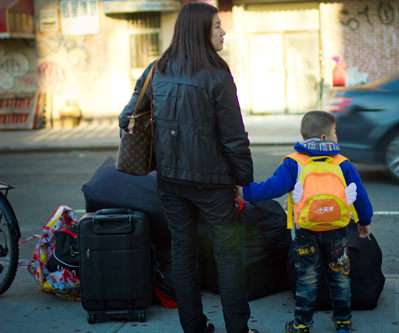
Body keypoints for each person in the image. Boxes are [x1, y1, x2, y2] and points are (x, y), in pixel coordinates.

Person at [119, 3, 258, 333]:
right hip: (213, 183)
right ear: (200, 32)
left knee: (183, 253)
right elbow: (234, 136)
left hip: (170, 181)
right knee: (228, 256)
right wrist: (244, 180)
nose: (223, 32)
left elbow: (127, 118)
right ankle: (238, 329)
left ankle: (193, 327)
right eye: (217, 27)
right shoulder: (217, 74)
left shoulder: (158, 68)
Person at [240, 111, 373, 333]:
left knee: (307, 279)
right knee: (339, 275)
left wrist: (244, 192)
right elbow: (360, 196)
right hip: (337, 230)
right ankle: (343, 323)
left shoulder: (294, 163)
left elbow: (271, 188)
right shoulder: (342, 163)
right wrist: (364, 221)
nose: (336, 137)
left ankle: (301, 325)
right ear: (324, 137)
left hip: (305, 231)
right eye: (334, 133)